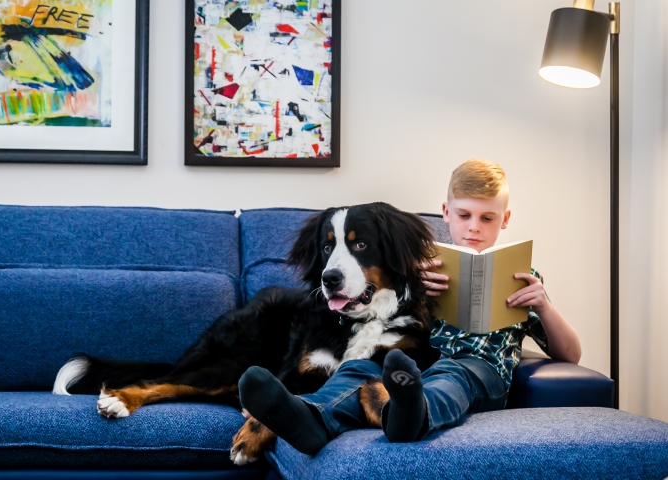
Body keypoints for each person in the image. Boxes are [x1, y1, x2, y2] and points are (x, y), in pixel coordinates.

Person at [238, 158, 582, 454]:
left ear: (505, 219)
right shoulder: (425, 266)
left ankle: (411, 417)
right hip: (418, 363)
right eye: (464, 215)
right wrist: (412, 283)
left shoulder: (522, 276)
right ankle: (311, 418)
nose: (474, 227)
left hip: (479, 368)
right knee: (360, 372)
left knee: (454, 375)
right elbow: (386, 309)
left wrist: (544, 306)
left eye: (487, 218)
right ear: (446, 213)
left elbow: (571, 354)